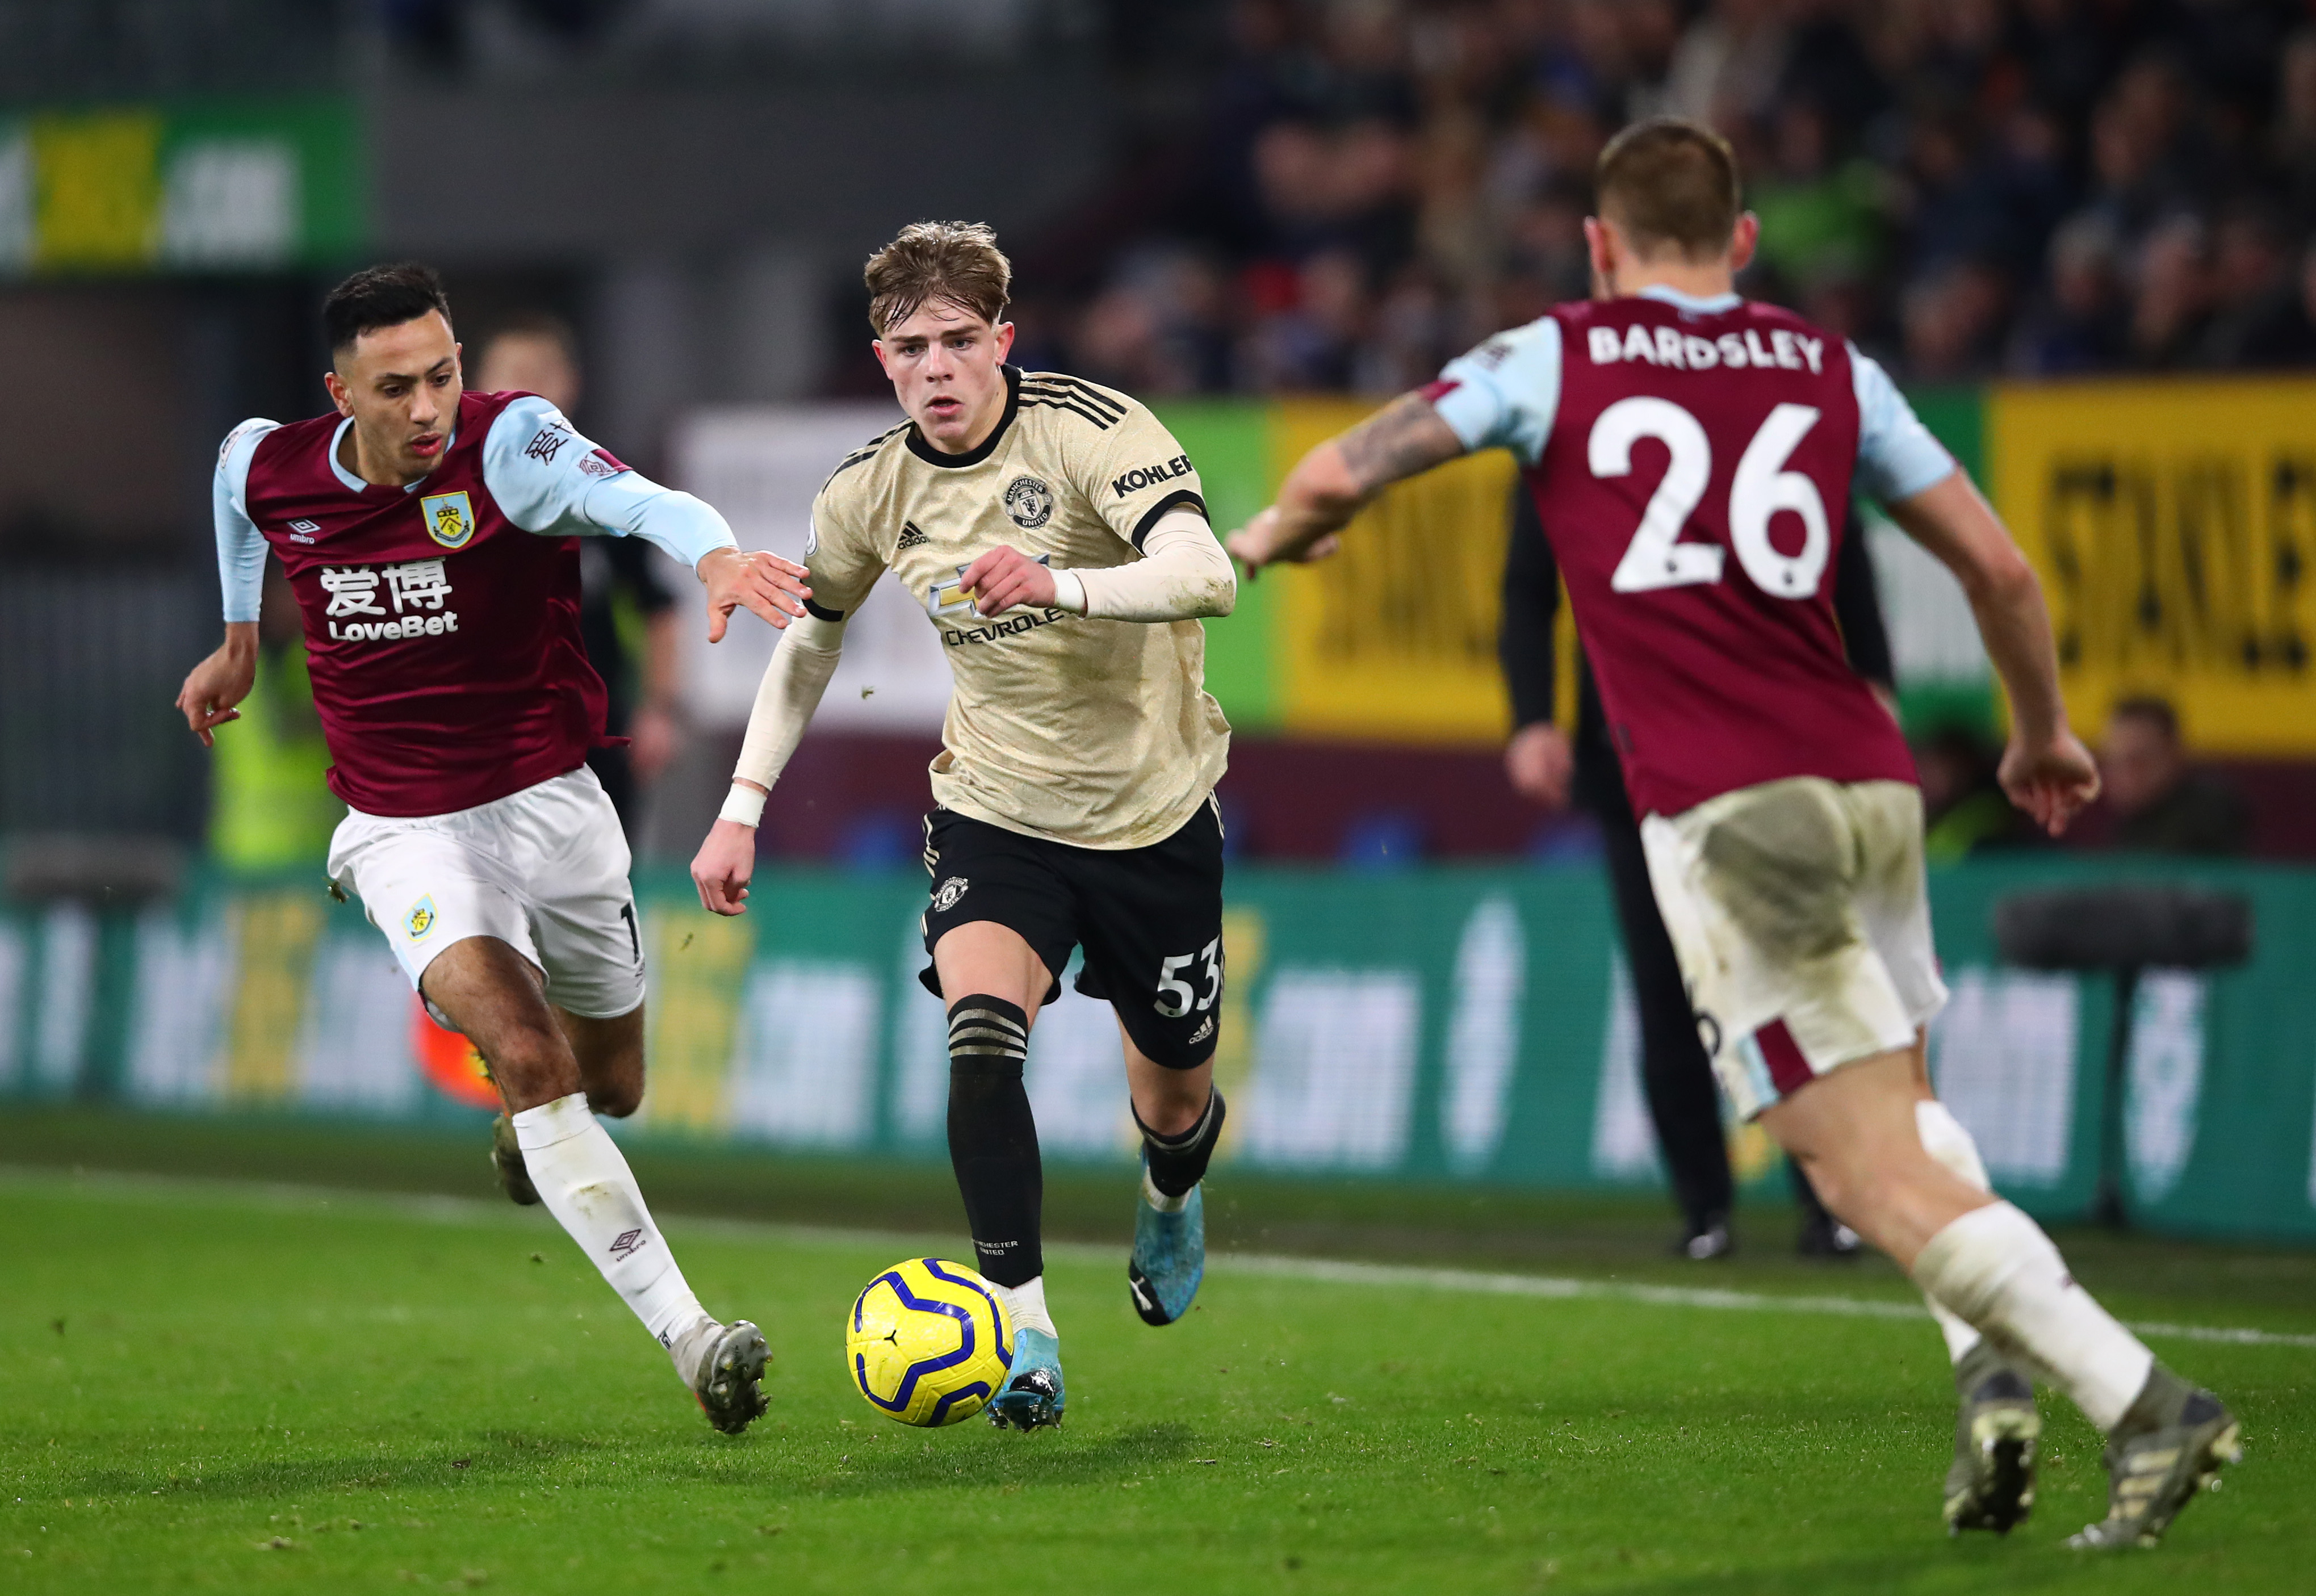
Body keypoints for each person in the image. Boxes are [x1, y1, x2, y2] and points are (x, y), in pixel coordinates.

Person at [1230, 120, 2238, 1547]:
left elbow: (1343, 469)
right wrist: (2038, 734)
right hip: (1870, 780)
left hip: (1724, 805)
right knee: (1898, 1099)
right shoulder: (1831, 367)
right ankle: (1988, 1370)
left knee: (1853, 1164)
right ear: (1743, 243)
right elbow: (2000, 568)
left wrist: (1268, 536)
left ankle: (2143, 1402)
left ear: (1596, 244)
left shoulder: (1555, 353)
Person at [175, 263, 810, 1434]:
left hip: (554, 805)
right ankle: (693, 1336)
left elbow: (651, 505)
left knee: (609, 1083)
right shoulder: (272, 464)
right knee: (523, 1049)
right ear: (340, 391)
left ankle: (536, 1124)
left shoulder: (511, 446)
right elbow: (233, 490)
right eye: (395, 387)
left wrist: (714, 555)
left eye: (442, 374)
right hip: (401, 827)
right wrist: (234, 641)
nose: (426, 408)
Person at [690, 221, 1238, 1431]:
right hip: (995, 813)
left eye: (955, 341)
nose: (934, 367)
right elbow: (811, 643)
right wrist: (741, 809)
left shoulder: (1097, 432)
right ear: (879, 357)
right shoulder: (868, 489)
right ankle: (1025, 1332)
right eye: (907, 347)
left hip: (1151, 815)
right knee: (981, 1042)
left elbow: (1208, 575)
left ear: (1002, 340)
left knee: (1173, 1103)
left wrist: (1060, 581)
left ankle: (1167, 1193)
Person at [1501, 487, 1891, 1260]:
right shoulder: (1569, 408)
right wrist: (1532, 713)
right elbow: (1526, 580)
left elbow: (1839, 544)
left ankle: (1828, 1198)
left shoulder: (1747, 389)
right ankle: (1704, 1206)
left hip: (1769, 749)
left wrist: (1871, 674)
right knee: (1668, 988)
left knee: (1791, 981)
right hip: (1639, 759)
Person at [474, 315, 682, 844]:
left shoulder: (606, 485)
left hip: (594, 737)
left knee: (601, 896)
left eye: (539, 374)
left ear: (569, 384)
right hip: (485, 738)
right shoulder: (453, 495)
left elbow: (657, 604)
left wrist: (660, 710)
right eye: (511, 374)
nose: (524, 391)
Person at [2099, 696, 2250, 856]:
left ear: (2174, 754)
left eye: (2140, 761)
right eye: (2115, 761)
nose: (2126, 773)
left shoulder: (2209, 816)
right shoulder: (2126, 827)